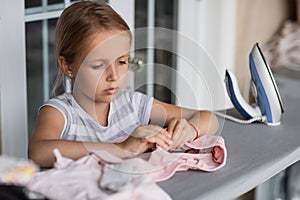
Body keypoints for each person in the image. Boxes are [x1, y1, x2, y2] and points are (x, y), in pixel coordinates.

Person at [28, 1, 219, 168]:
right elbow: (37, 152)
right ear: (68, 66)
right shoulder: (60, 112)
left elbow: (209, 118)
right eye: (98, 65)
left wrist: (189, 130)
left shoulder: (132, 104)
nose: (114, 76)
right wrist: (120, 148)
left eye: (122, 62)